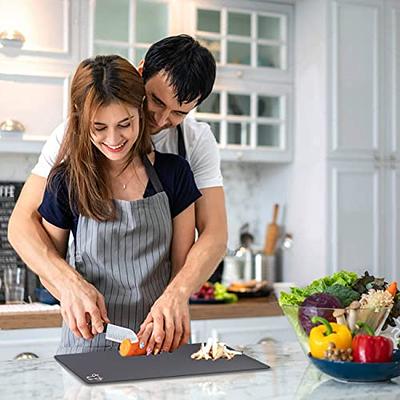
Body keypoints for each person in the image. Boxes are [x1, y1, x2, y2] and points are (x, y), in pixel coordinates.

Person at [8, 35, 228, 355]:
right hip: (89, 340)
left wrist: (177, 294)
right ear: (140, 74)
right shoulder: (71, 146)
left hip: (159, 335)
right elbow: (21, 224)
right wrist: (69, 285)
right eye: (156, 101)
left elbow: (215, 234)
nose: (162, 120)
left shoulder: (189, 151)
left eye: (179, 113)